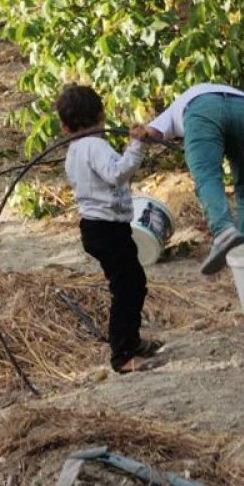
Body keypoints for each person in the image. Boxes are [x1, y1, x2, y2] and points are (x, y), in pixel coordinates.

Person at [132, 83, 244, 275]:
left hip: (201, 109)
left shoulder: (176, 109)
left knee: (207, 176)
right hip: (243, 107)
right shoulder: (215, 94)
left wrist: (137, 135)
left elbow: (149, 133)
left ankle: (223, 230)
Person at [57, 84, 164, 374]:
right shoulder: (95, 146)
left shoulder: (74, 151)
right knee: (128, 287)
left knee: (130, 283)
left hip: (95, 228)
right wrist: (136, 144)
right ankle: (123, 355)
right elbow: (117, 174)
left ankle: (132, 341)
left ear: (65, 127)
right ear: (101, 116)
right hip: (107, 229)